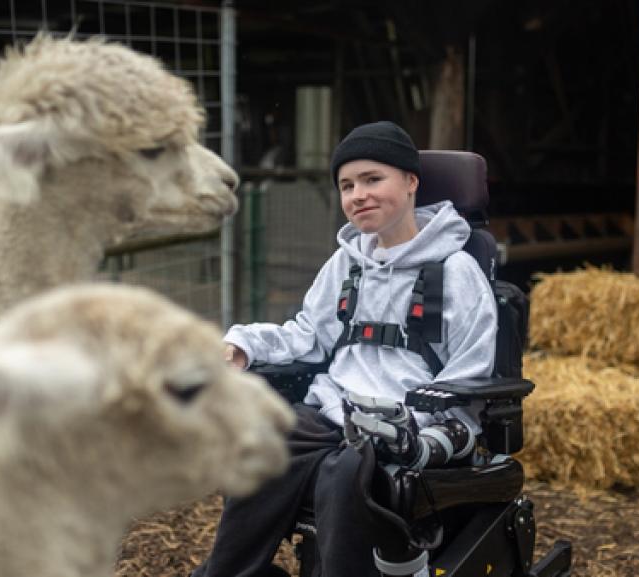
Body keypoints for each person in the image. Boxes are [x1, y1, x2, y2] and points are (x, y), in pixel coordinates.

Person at [192, 121, 497, 577]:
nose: (358, 195)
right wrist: (243, 346)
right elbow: (307, 333)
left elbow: (471, 374)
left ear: (411, 182)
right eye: (347, 185)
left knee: (345, 473)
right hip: (334, 412)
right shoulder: (346, 263)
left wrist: (422, 430)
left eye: (374, 179)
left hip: (403, 422)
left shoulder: (456, 271)